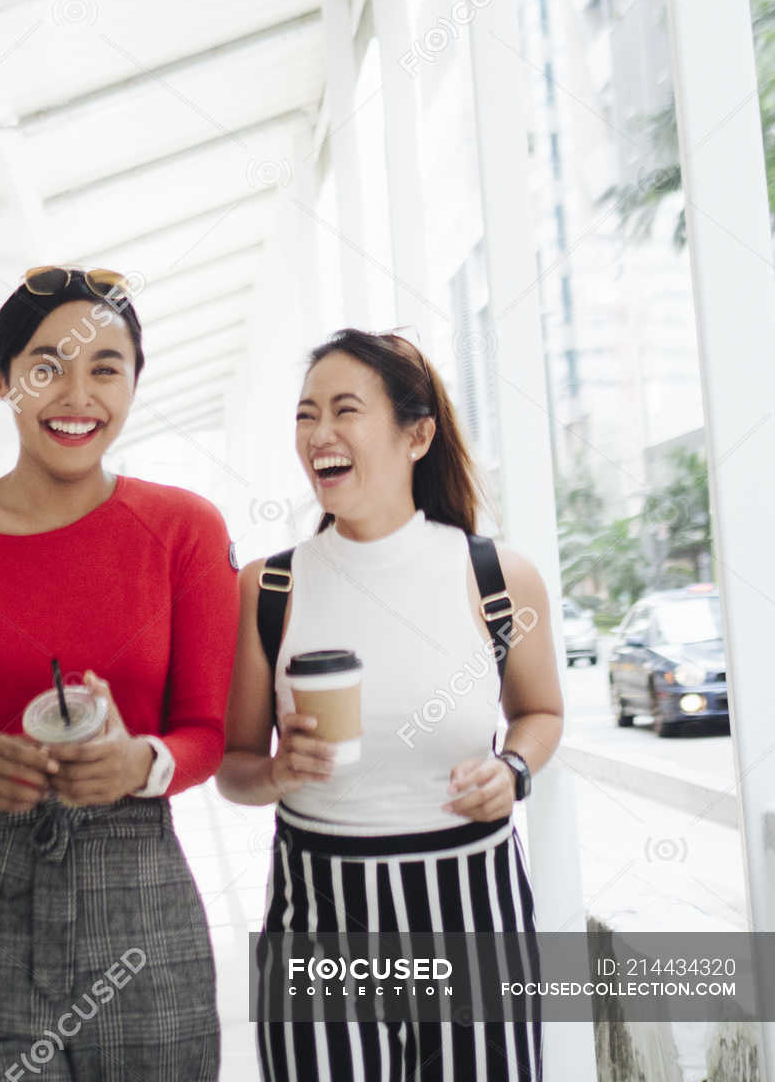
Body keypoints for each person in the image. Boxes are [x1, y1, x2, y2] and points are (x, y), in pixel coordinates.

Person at [0, 266, 239, 1081]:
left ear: (136, 382)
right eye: (46, 366)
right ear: (1, 379)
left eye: (106, 368)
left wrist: (141, 760)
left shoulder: (185, 530)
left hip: (140, 897)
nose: (77, 395)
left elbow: (208, 734)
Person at [218, 328, 563, 1081]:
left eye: (346, 410)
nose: (320, 435)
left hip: (474, 911)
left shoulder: (498, 578)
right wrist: (277, 774)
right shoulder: (268, 587)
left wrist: (514, 770)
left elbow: (542, 714)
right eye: (306, 415)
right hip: (319, 917)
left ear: (417, 434)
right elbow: (233, 767)